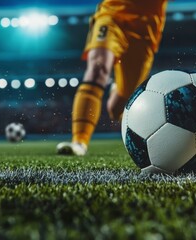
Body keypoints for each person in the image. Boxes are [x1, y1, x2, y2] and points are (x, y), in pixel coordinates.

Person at [57, 0, 168, 156]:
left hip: (145, 28)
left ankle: (117, 89)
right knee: (98, 68)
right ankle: (79, 141)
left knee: (118, 107)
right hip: (112, 15)